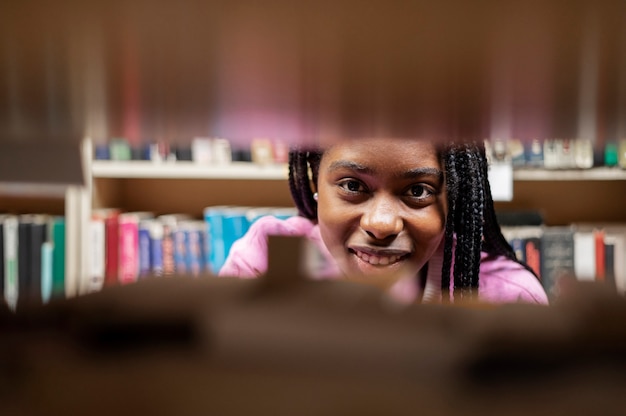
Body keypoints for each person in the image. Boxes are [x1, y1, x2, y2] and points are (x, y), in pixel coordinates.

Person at [219, 138, 549, 305]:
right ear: (315, 182)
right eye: (352, 186)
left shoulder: (507, 296)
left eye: (418, 191)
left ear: (453, 199)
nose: (381, 224)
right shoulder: (265, 261)